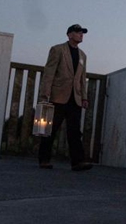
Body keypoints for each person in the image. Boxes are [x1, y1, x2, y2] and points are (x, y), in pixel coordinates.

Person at [37, 24, 93, 171]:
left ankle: (78, 162)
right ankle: (44, 159)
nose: (81, 35)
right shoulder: (57, 50)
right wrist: (44, 94)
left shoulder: (83, 55)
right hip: (57, 96)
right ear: (69, 35)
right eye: (78, 32)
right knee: (51, 129)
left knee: (74, 131)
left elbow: (82, 77)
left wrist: (84, 97)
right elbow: (49, 72)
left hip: (75, 98)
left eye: (82, 33)